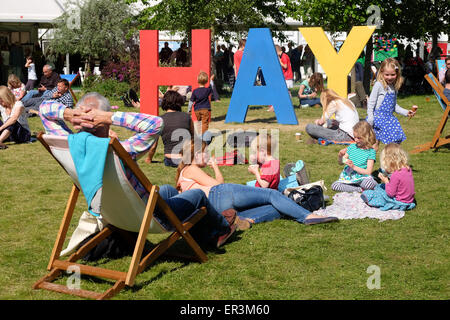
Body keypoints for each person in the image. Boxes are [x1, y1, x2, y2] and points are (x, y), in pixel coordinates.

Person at [39, 93, 237, 249]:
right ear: (104, 120)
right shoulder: (120, 151)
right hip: (146, 217)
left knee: (167, 190)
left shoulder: (70, 146)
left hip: (113, 213)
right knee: (196, 196)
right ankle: (221, 229)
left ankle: (210, 222)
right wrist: (109, 116)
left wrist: (68, 113)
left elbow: (44, 108)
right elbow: (156, 124)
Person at [176, 138, 339, 226]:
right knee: (271, 194)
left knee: (275, 207)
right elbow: (218, 186)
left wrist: (214, 167)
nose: (207, 156)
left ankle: (243, 221)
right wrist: (216, 168)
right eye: (204, 153)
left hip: (216, 207)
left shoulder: (186, 173)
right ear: (194, 155)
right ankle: (307, 216)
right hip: (220, 194)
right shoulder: (191, 168)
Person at [366, 58, 417, 148]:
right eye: (387, 75)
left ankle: (391, 160)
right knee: (374, 144)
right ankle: (369, 161)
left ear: (397, 74)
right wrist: (370, 118)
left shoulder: (394, 87)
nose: (390, 77)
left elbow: (394, 106)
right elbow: (371, 103)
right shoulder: (379, 85)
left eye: (392, 75)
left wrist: (406, 112)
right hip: (378, 118)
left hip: (389, 119)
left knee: (396, 141)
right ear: (381, 73)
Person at [145, 90, 194, 167]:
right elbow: (194, 138)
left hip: (170, 160)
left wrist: (148, 159)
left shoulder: (159, 120)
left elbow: (154, 145)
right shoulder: (187, 117)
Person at [362, 143, 415, 209]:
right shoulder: (407, 169)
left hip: (399, 201)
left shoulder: (395, 175)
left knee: (372, 192)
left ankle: (372, 200)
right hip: (409, 199)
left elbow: (390, 193)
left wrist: (386, 181)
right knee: (380, 186)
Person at [331, 121, 378, 193]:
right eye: (354, 137)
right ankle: (358, 189)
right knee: (335, 185)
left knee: (368, 184)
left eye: (359, 138)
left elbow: (368, 172)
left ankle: (356, 187)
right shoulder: (352, 147)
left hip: (362, 177)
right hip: (350, 176)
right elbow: (341, 162)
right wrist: (340, 156)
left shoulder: (371, 151)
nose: (356, 140)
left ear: (367, 137)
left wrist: (353, 167)